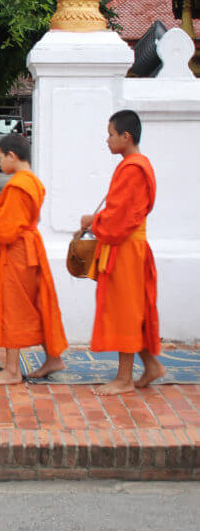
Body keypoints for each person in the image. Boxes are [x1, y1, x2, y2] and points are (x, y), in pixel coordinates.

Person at [0, 133, 67, 386]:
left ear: (11, 156)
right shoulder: (33, 182)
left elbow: (6, 229)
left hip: (16, 252)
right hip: (31, 250)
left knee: (13, 306)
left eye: (0, 158)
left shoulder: (18, 185)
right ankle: (52, 358)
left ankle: (12, 370)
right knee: (37, 303)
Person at [80, 109, 162, 395]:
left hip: (126, 249)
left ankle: (124, 378)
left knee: (125, 312)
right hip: (128, 247)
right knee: (130, 310)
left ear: (126, 137)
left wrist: (93, 222)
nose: (107, 140)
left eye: (111, 134)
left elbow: (120, 219)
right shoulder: (136, 165)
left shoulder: (133, 168)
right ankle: (151, 366)